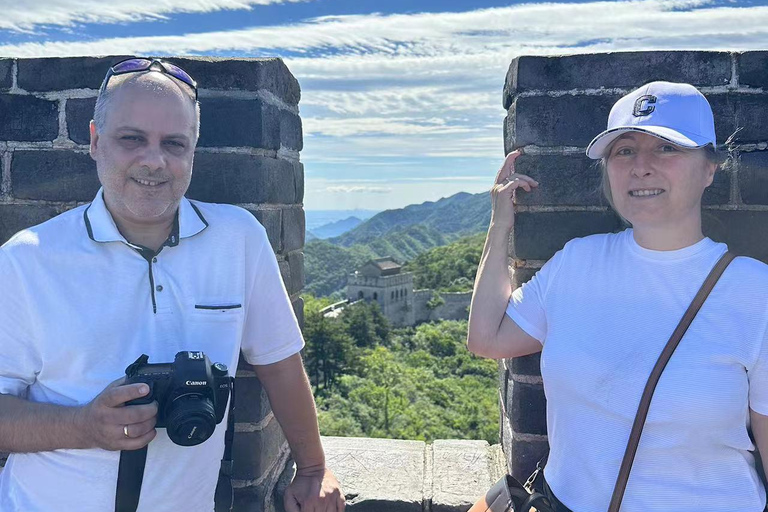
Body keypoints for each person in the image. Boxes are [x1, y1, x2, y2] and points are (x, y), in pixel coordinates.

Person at [0, 58, 345, 512]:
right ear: (95, 141)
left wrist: (314, 469)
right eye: (132, 139)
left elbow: (279, 362)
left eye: (174, 144)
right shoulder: (27, 260)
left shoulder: (238, 240)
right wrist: (85, 426)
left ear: (192, 154)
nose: (154, 161)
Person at [467, 81, 768, 512]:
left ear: (709, 168)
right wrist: (499, 226)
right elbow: (486, 338)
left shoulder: (756, 293)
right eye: (624, 150)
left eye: (667, 148)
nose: (641, 166)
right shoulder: (577, 262)